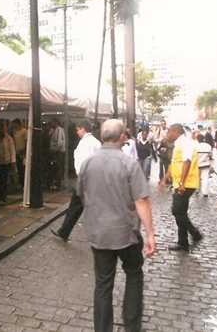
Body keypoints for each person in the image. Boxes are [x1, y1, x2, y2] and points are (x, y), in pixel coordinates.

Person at [76, 119, 155, 332]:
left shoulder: (88, 163)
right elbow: (141, 200)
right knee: (134, 275)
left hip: (99, 233)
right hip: (126, 232)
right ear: (122, 137)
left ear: (102, 137)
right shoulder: (129, 164)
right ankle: (132, 326)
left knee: (103, 285)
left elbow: (82, 196)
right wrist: (150, 234)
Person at [51, 119, 101, 242]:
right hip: (93, 179)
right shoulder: (96, 143)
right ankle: (64, 231)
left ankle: (65, 231)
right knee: (81, 206)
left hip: (85, 179)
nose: (77, 132)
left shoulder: (85, 143)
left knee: (77, 206)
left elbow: (83, 162)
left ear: (83, 129)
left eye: (78, 130)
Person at [159, 123, 203, 252]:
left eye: (169, 132)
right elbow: (174, 165)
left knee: (177, 211)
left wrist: (182, 183)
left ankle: (195, 234)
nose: (167, 135)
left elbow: (187, 162)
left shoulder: (186, 143)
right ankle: (183, 242)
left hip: (187, 184)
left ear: (175, 132)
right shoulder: (178, 144)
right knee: (180, 213)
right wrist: (165, 179)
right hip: (180, 184)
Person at [49, 117, 66, 189]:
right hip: (58, 151)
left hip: (58, 152)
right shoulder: (56, 130)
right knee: (57, 167)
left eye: (52, 122)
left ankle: (58, 183)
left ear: (56, 122)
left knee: (58, 168)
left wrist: (54, 150)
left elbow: (59, 142)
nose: (51, 123)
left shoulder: (58, 130)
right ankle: (57, 182)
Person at [11, 119, 28, 187]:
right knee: (19, 168)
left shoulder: (24, 131)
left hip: (22, 151)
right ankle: (21, 182)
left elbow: (26, 140)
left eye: (14, 124)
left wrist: (25, 151)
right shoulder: (16, 131)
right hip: (17, 151)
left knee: (23, 168)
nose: (13, 126)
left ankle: (25, 183)